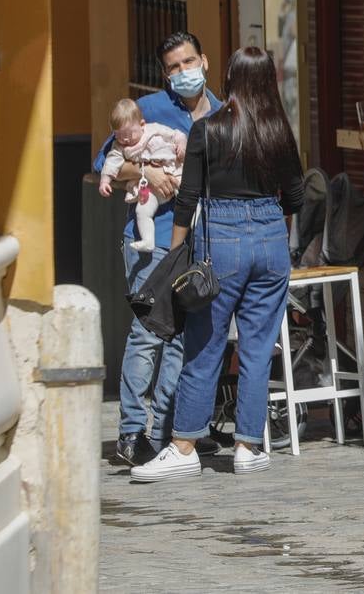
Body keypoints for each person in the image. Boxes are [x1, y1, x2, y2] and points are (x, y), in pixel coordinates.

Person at [131, 46, 306, 482]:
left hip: (220, 239)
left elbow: (187, 200)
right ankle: (248, 446)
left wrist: (175, 256)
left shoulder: (206, 131)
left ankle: (184, 445)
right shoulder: (279, 131)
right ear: (270, 81)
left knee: (205, 345)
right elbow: (299, 197)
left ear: (227, 77)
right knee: (258, 347)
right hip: (270, 238)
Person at [93, 31, 218, 467]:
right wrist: (146, 168)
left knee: (185, 340)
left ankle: (167, 427)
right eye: (173, 68)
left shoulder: (222, 115)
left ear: (204, 61)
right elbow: (104, 165)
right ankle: (130, 433)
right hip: (153, 240)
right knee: (148, 335)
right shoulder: (146, 111)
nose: (182, 73)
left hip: (200, 245)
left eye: (188, 63)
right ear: (164, 74)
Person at [97, 98, 187, 252]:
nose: (125, 139)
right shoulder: (120, 147)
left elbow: (176, 135)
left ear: (142, 125)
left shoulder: (154, 130)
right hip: (149, 189)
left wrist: (181, 145)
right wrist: (105, 181)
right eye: (119, 135)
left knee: (188, 199)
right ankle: (147, 240)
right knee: (142, 211)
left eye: (130, 133)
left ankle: (193, 224)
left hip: (174, 170)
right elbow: (110, 163)